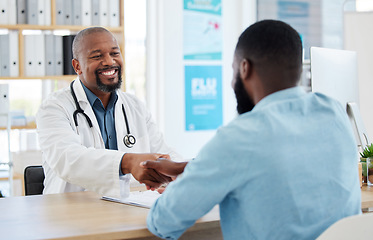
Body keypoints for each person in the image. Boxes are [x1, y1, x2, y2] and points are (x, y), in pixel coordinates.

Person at [144, 20, 361, 239]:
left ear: (244, 68)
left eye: (233, 71)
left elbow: (164, 222)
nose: (231, 83)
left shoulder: (241, 136)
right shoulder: (333, 111)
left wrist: (181, 186)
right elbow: (286, 159)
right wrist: (192, 168)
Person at [36, 27, 182, 199]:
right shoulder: (54, 107)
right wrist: (127, 162)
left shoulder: (135, 106)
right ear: (77, 66)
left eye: (114, 53)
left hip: (126, 208)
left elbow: (163, 152)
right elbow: (68, 159)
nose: (109, 62)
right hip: (69, 214)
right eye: (97, 56)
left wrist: (179, 179)